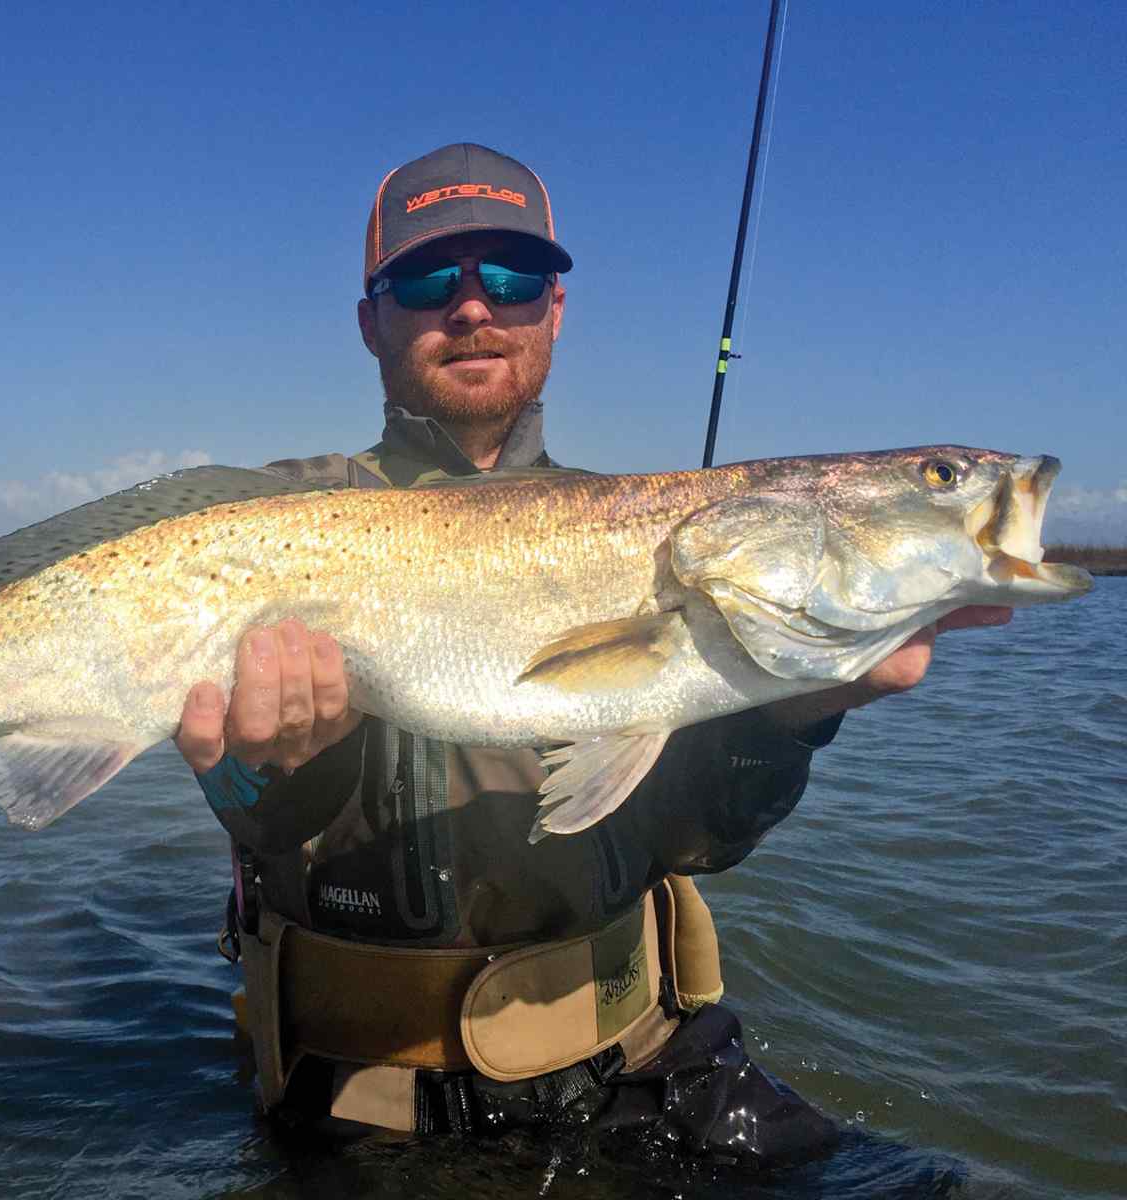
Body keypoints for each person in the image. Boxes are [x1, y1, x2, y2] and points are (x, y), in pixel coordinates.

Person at [172, 143, 1010, 1164]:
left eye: (512, 276)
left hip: (643, 1072)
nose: (472, 307)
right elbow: (261, 825)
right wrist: (269, 768)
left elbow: (696, 843)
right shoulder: (267, 523)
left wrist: (794, 713)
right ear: (370, 321)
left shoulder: (642, 524)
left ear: (556, 309)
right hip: (361, 1107)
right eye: (428, 281)